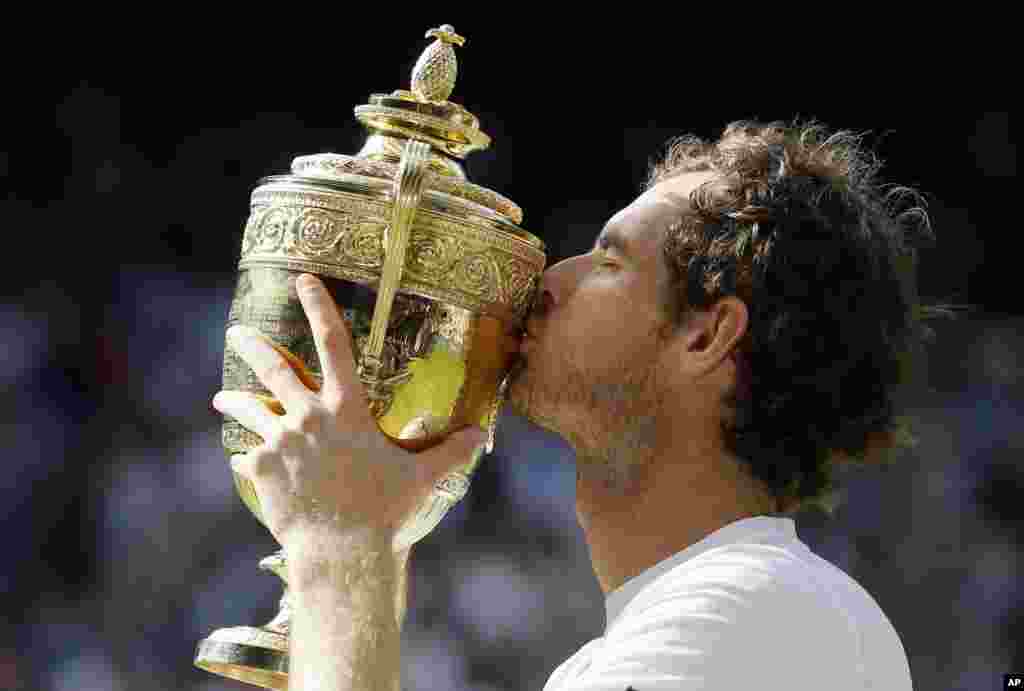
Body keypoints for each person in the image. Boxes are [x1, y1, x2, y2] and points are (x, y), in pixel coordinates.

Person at [213, 119, 937, 690]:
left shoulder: (758, 612)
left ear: (707, 334)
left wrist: (343, 545)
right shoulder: (721, 618)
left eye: (609, 258)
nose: (552, 279)